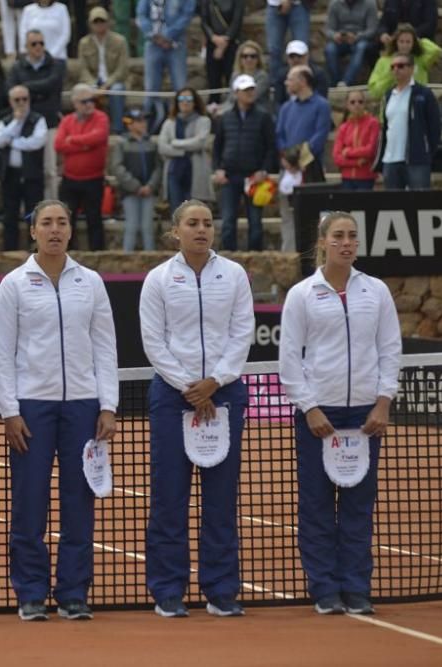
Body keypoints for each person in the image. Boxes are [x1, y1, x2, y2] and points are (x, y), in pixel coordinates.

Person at [0, 199, 118, 622]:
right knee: (29, 502)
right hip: (32, 407)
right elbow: (2, 352)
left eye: (62, 222)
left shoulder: (91, 282)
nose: (55, 229)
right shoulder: (14, 284)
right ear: (33, 232)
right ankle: (30, 592)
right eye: (46, 223)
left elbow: (105, 345)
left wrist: (108, 405)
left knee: (78, 502)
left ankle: (73, 593)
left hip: (83, 406)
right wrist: (9, 409)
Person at [279, 211, 401, 616]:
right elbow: (290, 361)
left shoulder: (377, 291)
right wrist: (309, 407)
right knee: (315, 505)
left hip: (366, 416)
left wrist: (383, 401)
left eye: (352, 236)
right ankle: (325, 589)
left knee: (358, 505)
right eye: (338, 236)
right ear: (322, 242)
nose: (347, 243)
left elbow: (389, 349)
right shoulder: (301, 294)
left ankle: (356, 587)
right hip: (319, 415)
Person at [140, 199, 254, 619]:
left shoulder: (235, 275)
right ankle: (168, 589)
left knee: (221, 500)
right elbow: (154, 341)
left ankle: (221, 590)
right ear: (176, 232)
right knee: (170, 498)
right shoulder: (158, 279)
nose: (201, 229)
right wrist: (190, 387)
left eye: (207, 222)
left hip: (224, 394)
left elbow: (242, 333)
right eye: (192, 223)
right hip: (173, 397)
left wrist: (215, 382)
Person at [212, 74, 276, 251]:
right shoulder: (224, 118)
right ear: (236, 93)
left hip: (254, 177)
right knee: (228, 222)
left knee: (255, 223)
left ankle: (255, 259)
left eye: (252, 89)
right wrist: (218, 169)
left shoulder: (263, 117)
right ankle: (227, 261)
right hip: (230, 177)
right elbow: (217, 147)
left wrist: (264, 170)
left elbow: (271, 147)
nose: (250, 93)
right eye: (246, 90)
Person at [6, 30, 66, 200]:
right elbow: (10, 90)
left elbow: (51, 84)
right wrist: (37, 92)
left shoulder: (56, 64)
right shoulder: (17, 67)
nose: (38, 47)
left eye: (41, 43)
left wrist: (25, 88)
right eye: (34, 44)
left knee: (50, 169)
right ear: (26, 47)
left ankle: (52, 204)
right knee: (26, 169)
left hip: (49, 121)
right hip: (25, 123)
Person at [54, 84, 110, 251]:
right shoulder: (67, 120)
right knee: (66, 220)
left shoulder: (101, 118)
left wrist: (73, 140)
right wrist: (85, 145)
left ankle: (97, 254)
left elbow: (98, 137)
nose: (90, 104)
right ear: (75, 103)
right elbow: (58, 145)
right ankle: (66, 253)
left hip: (93, 178)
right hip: (70, 179)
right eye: (85, 101)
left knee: (94, 219)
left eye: (92, 100)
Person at [375, 53, 441, 191]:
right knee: (393, 208)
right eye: (392, 66)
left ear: (411, 69)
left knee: (420, 206)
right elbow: (386, 127)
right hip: (390, 160)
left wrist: (426, 152)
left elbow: (435, 128)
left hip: (416, 159)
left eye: (400, 66)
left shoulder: (424, 94)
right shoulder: (388, 95)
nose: (396, 69)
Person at [0, 84, 47, 250]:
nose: (22, 103)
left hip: (32, 175)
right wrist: (16, 122)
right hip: (10, 175)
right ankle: (10, 250)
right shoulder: (7, 120)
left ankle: (36, 249)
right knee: (10, 215)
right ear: (11, 101)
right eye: (17, 99)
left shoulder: (38, 119)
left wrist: (14, 142)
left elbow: (37, 142)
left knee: (33, 214)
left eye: (25, 99)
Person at [137, 0, 195, 130]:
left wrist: (168, 35)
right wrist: (154, 35)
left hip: (176, 44)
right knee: (151, 88)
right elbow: (141, 14)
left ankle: (182, 126)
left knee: (180, 87)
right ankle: (149, 126)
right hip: (152, 43)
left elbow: (187, 14)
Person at [111, 108, 161, 252]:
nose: (144, 123)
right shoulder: (122, 144)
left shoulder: (151, 143)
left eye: (144, 120)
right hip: (129, 192)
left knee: (147, 227)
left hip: (149, 191)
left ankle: (150, 259)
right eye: (139, 121)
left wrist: (151, 185)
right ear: (130, 124)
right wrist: (135, 186)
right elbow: (117, 167)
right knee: (131, 226)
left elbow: (158, 166)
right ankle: (127, 260)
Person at [158, 87, 213, 214]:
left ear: (195, 102)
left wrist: (175, 143)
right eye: (181, 99)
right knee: (177, 213)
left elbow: (200, 143)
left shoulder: (204, 121)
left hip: (195, 172)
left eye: (189, 99)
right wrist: (183, 151)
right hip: (174, 172)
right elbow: (162, 147)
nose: (185, 102)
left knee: (193, 214)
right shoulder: (169, 123)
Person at [77, 7, 129, 134]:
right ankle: (85, 129)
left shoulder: (120, 41)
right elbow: (83, 69)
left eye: (102, 21)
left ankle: (117, 129)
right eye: (96, 22)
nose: (99, 25)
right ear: (90, 24)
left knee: (117, 90)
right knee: (81, 91)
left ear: (108, 22)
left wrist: (107, 84)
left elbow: (122, 69)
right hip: (93, 81)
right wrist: (93, 84)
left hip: (113, 81)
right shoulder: (83, 43)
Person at [276, 65, 331, 184]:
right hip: (288, 168)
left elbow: (320, 135)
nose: (286, 83)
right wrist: (287, 159)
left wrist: (300, 159)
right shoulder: (286, 107)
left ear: (302, 81)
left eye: (290, 79)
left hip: (311, 166)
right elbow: (279, 135)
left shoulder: (321, 105)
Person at [367, 23, 442, 100]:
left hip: (416, 104)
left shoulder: (420, 59)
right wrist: (391, 75)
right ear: (396, 42)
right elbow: (375, 92)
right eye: (401, 41)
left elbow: (435, 50)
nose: (405, 45)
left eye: (408, 42)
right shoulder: (384, 61)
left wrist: (419, 41)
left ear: (413, 43)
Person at [324, 0, 378, 87]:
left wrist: (357, 37)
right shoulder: (334, 4)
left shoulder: (370, 3)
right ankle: (335, 82)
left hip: (361, 39)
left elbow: (372, 29)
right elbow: (328, 29)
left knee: (361, 47)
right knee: (330, 49)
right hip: (341, 41)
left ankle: (346, 82)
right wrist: (334, 35)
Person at [332, 89, 379, 190]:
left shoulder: (373, 123)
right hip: (347, 177)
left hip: (366, 176)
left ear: (365, 104)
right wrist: (356, 162)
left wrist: (348, 152)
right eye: (352, 102)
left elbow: (370, 150)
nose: (357, 105)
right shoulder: (343, 127)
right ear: (347, 105)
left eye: (360, 102)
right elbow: (336, 157)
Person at [201, 0, 245, 106]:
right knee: (213, 80)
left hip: (231, 44)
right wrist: (213, 37)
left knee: (231, 77)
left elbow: (237, 21)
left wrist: (225, 41)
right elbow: (204, 22)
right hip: (213, 43)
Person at [265, 0, 311, 92]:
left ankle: (303, 81)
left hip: (298, 5)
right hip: (274, 5)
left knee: (301, 48)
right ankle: (277, 86)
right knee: (274, 50)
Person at [216, 40, 271, 117]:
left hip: (258, 111)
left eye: (253, 56)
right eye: (245, 56)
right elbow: (230, 98)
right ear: (240, 58)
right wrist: (219, 108)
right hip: (235, 109)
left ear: (258, 59)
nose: (249, 59)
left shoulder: (262, 76)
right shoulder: (235, 75)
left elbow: (251, 97)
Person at [272, 39, 330, 107]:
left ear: (307, 56)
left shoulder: (318, 74)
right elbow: (278, 102)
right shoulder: (281, 75)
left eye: (299, 56)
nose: (296, 60)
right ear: (287, 58)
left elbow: (321, 98)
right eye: (292, 56)